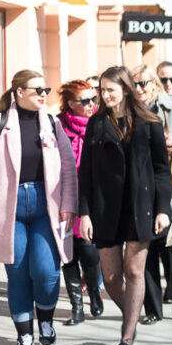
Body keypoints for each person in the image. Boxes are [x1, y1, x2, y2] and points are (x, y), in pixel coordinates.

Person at [0, 70, 77, 345]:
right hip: (9, 207)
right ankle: (24, 334)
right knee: (17, 273)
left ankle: (45, 324)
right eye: (37, 90)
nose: (44, 95)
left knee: (45, 272)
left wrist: (69, 205)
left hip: (47, 206)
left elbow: (68, 168)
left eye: (46, 90)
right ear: (19, 93)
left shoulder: (53, 124)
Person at [78, 66, 172, 345]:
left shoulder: (149, 123)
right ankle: (134, 311)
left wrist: (163, 208)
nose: (103, 95)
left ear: (125, 90)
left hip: (139, 206)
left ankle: (126, 338)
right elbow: (86, 172)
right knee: (110, 277)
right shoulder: (96, 124)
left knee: (134, 271)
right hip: (105, 208)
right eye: (101, 90)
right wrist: (84, 213)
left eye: (110, 90)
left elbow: (161, 170)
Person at [133, 64, 172, 323]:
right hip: (139, 189)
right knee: (145, 251)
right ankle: (153, 309)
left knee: (170, 246)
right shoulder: (129, 112)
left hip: (169, 185)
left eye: (144, 84)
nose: (140, 89)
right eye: (135, 85)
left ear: (154, 85)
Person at [57, 79, 104, 325]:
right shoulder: (57, 126)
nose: (90, 105)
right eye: (84, 101)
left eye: (93, 99)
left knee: (90, 253)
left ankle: (95, 291)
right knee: (68, 255)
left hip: (91, 199)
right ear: (69, 103)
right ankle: (77, 308)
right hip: (63, 198)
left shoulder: (100, 124)